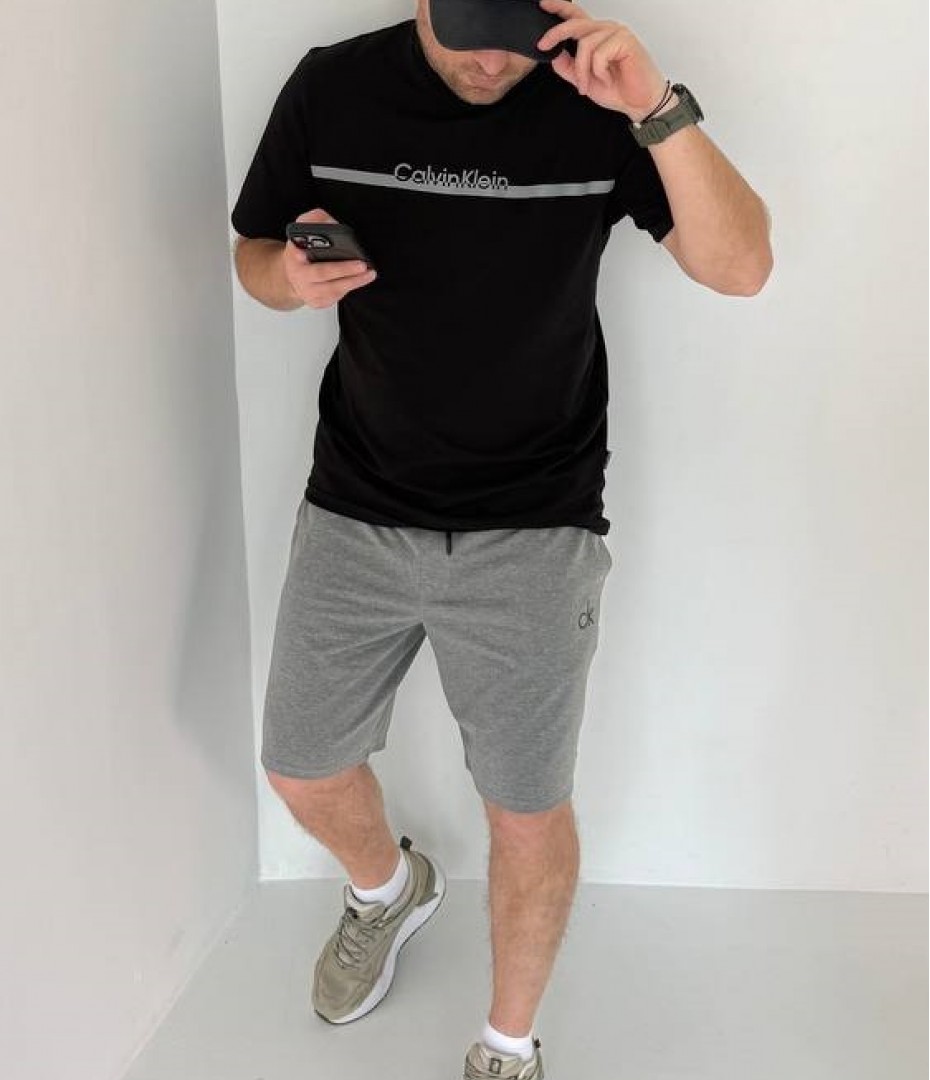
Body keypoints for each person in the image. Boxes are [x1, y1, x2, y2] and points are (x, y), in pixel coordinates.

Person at [231, 0, 772, 1076]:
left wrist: (657, 110)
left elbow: (742, 266)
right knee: (300, 768)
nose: (491, 61)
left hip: (535, 522)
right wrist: (285, 280)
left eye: (517, 37)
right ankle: (389, 890)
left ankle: (507, 1044)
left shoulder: (599, 98)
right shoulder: (332, 85)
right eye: (469, 29)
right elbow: (253, 252)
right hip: (356, 507)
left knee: (525, 811)